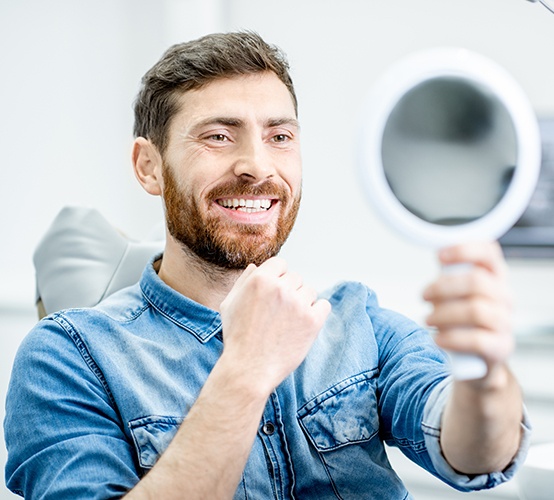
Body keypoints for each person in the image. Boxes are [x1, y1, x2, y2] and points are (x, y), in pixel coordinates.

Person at [5, 31, 530, 499]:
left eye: (280, 136)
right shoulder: (66, 356)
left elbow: (476, 455)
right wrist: (245, 371)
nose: (258, 166)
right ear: (149, 166)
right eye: (218, 135)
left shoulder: (357, 321)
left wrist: (482, 375)